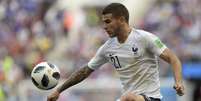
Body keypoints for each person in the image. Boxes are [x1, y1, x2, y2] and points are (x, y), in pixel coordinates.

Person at [47, 3, 184, 101]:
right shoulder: (107, 48)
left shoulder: (144, 38)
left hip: (150, 98)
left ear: (122, 20)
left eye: (108, 21)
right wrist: (58, 90)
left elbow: (173, 59)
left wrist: (178, 82)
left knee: (129, 97)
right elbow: (85, 71)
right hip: (127, 97)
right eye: (103, 22)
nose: (104, 26)